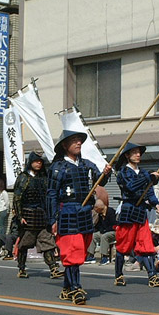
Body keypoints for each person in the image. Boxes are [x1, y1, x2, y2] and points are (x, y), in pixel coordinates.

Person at [47, 129, 111, 304]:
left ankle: (66, 288)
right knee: (72, 252)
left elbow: (101, 182)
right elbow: (51, 194)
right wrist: (52, 219)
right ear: (65, 146)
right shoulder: (57, 167)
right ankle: (76, 288)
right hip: (67, 212)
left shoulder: (87, 165)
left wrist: (106, 173)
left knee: (80, 251)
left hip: (84, 213)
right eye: (74, 141)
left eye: (79, 140)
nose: (78, 143)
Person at [113, 142, 159, 288]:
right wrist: (149, 178)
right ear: (127, 155)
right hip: (128, 210)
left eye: (139, 152)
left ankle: (152, 276)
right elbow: (131, 187)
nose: (138, 155)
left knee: (146, 245)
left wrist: (156, 204)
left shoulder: (144, 173)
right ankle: (118, 275)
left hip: (141, 212)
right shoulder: (123, 172)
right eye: (134, 152)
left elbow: (149, 191)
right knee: (123, 246)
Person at [13, 151, 63, 279]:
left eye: (40, 162)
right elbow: (17, 198)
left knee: (47, 243)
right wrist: (20, 216)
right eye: (36, 161)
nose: (38, 164)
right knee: (24, 244)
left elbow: (49, 197)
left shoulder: (44, 178)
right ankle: (22, 268)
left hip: (42, 215)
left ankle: (53, 268)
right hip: (28, 215)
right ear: (31, 162)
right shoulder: (23, 177)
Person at [87, 199, 117, 265]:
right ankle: (91, 255)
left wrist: (104, 230)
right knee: (93, 235)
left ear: (99, 208)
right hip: (104, 232)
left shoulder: (111, 212)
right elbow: (99, 225)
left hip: (113, 232)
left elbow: (114, 225)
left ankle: (105, 257)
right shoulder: (100, 214)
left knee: (104, 236)